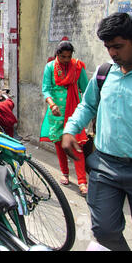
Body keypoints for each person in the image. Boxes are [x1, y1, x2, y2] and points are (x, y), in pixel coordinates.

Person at [62, 12, 132, 251]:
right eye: (108, 48)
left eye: (118, 46)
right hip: (105, 167)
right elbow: (87, 105)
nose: (113, 53)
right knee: (103, 231)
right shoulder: (104, 72)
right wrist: (70, 130)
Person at [39, 40, 89, 196]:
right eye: (63, 57)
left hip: (74, 113)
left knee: (78, 145)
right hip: (56, 113)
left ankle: (82, 181)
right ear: (57, 55)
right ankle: (65, 173)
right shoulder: (49, 67)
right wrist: (52, 105)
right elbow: (46, 89)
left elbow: (86, 90)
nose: (66, 60)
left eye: (69, 56)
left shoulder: (78, 67)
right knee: (59, 144)